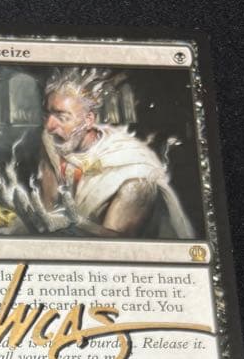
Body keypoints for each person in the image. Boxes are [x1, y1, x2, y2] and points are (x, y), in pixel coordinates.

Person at [35, 67, 194, 238]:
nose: (49, 126)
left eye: (62, 117)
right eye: (47, 115)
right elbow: (49, 211)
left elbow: (117, 245)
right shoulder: (53, 140)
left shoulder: (135, 176)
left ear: (88, 120)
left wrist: (75, 225)